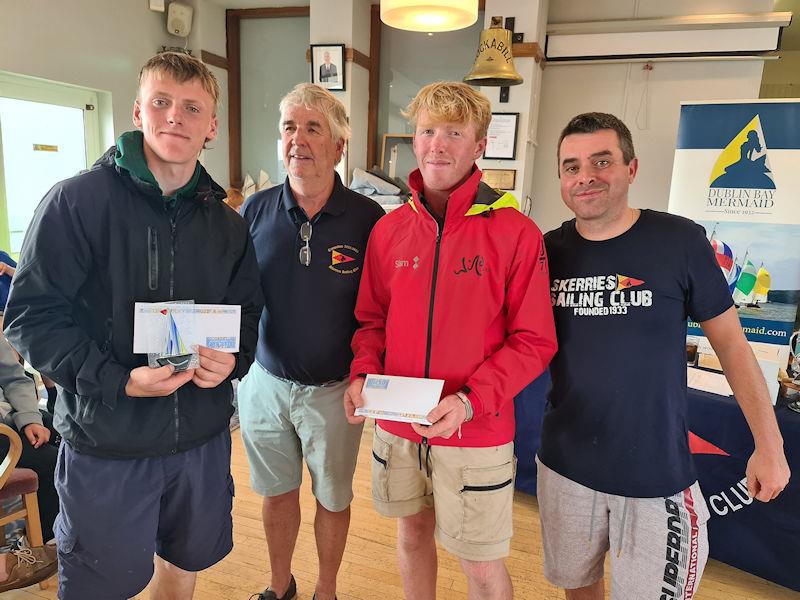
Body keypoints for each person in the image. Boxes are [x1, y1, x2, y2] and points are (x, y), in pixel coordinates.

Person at [3, 51, 263, 600]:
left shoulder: (226, 224)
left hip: (199, 437)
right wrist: (118, 380)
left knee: (183, 560)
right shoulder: (76, 204)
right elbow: (30, 317)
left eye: (192, 108)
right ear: (137, 111)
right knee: (102, 583)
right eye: (162, 102)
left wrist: (231, 362)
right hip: (107, 441)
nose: (176, 117)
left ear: (211, 126)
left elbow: (246, 316)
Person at [538, 112, 791, 600]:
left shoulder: (679, 240)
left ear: (631, 169)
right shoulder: (546, 251)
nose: (585, 176)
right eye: (571, 166)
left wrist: (771, 445)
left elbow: (733, 347)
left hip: (656, 477)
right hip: (564, 464)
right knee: (577, 588)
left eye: (601, 161)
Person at [343, 81, 558, 600]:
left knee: (480, 564)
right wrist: (361, 376)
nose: (438, 144)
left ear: (479, 146)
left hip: (475, 428)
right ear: (413, 142)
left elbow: (534, 340)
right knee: (411, 535)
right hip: (397, 425)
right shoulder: (389, 230)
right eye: (427, 131)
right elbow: (371, 320)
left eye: (454, 133)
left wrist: (469, 401)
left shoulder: (515, 232)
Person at [239, 83, 384, 600]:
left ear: (339, 147)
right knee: (277, 496)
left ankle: (326, 589)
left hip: (336, 390)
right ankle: (280, 588)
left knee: (332, 498)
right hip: (265, 384)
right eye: (288, 128)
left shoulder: (370, 222)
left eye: (312, 128)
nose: (297, 140)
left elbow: (382, 310)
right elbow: (227, 295)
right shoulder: (253, 213)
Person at [0, 333, 58, 592]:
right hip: (4, 431)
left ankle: (47, 537)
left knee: (60, 431)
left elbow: (14, 378)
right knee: (51, 460)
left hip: (8, 419)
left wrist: (29, 418)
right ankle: (44, 542)